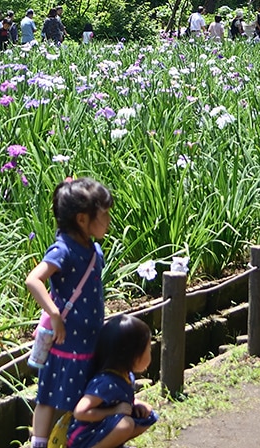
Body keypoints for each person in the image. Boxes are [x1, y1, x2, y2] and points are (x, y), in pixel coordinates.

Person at [25, 177, 113, 448]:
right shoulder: (63, 249)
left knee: (75, 396)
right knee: (49, 396)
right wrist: (53, 314)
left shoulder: (92, 249)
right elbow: (33, 280)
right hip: (65, 342)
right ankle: (40, 443)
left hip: (87, 341)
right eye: (104, 215)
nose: (109, 221)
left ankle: (68, 441)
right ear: (82, 219)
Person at [65, 314, 158, 448]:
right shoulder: (106, 382)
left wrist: (135, 404)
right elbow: (80, 412)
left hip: (102, 426)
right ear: (133, 355)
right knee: (126, 424)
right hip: (84, 436)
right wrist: (113, 411)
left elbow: (118, 400)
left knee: (147, 416)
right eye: (148, 348)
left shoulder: (126, 375)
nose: (150, 352)